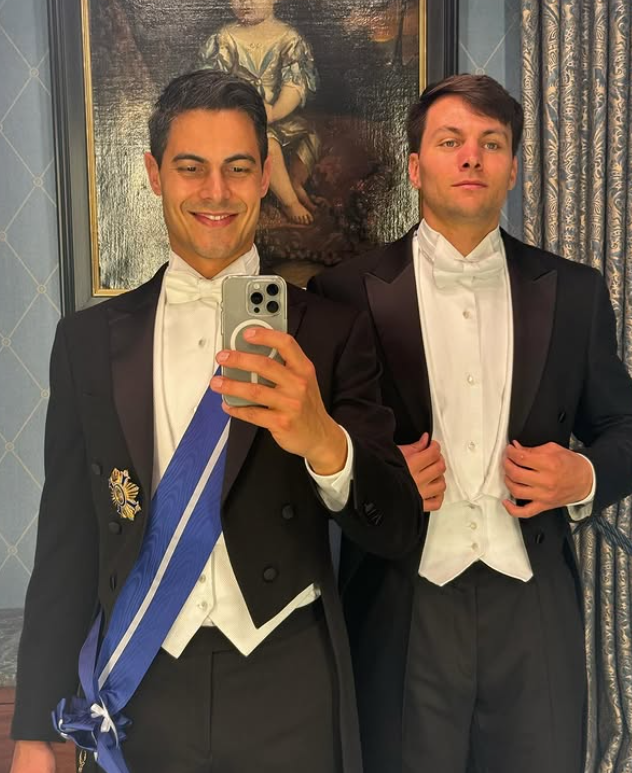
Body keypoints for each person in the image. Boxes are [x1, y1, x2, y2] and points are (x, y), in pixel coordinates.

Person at [10, 69, 422, 773]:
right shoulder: (87, 342)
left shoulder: (331, 332)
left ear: (264, 176)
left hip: (289, 685)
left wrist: (324, 442)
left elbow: (397, 527)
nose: (215, 191)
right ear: (153, 174)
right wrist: (33, 729)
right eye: (190, 167)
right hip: (141, 685)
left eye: (236, 167)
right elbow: (67, 542)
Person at [310, 73, 632, 773]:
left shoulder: (575, 292)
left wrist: (582, 474)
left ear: (513, 168)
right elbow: (316, 450)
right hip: (398, 600)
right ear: (415, 166)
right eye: (451, 140)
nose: (471, 157)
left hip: (534, 604)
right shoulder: (342, 293)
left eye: (491, 143)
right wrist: (379, 473)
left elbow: (624, 427)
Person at [198, 0, 320, 225]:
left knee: (310, 137)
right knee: (267, 144)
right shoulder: (225, 38)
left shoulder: (289, 38)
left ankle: (294, 182)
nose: (245, 2)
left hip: (276, 115)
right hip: (236, 116)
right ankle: (290, 201)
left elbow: (295, 84)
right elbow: (212, 83)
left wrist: (274, 112)